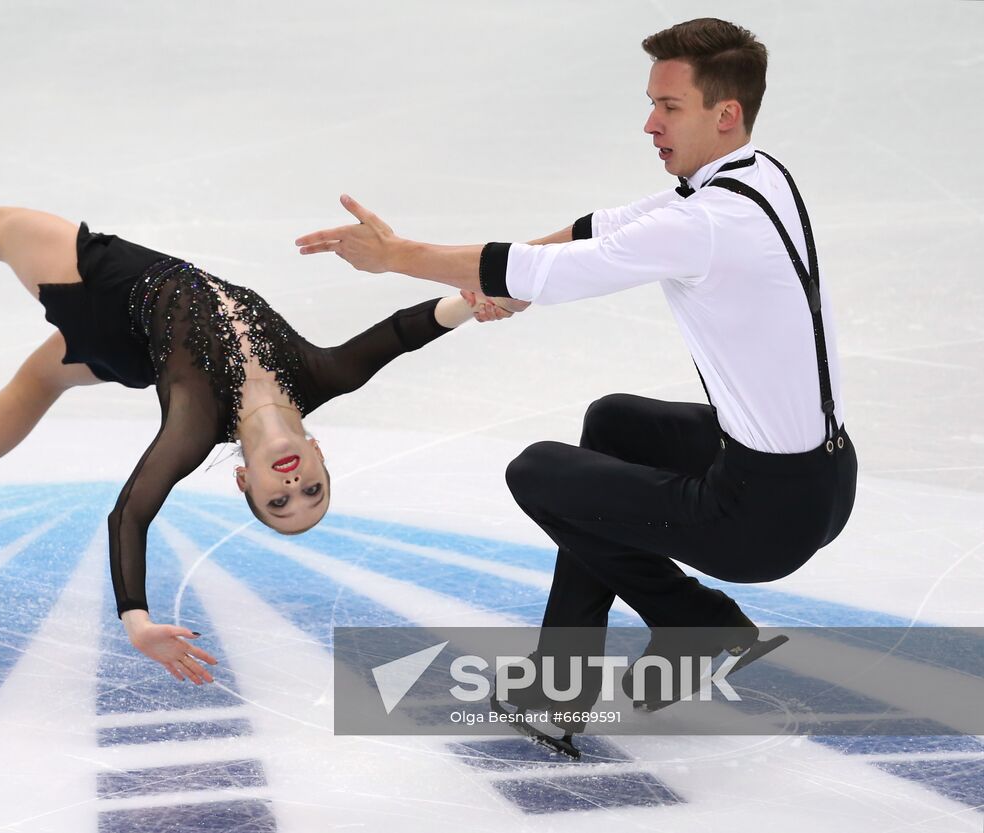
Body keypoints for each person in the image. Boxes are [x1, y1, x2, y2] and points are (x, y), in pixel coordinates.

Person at [296, 18, 857, 746]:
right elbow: (604, 228)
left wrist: (397, 255)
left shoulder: (706, 223)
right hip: (826, 475)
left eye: (670, 108)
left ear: (726, 115)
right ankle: (560, 685)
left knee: (539, 473)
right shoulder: (753, 177)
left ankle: (697, 624)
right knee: (615, 422)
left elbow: (557, 271)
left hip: (764, 514)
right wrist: (510, 283)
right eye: (652, 102)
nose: (650, 123)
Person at [0, 95, 508, 686]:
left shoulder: (195, 422)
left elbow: (130, 513)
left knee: (5, 230)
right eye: (311, 488)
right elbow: (399, 334)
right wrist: (467, 302)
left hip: (117, 292)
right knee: (36, 382)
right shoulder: (319, 376)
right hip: (137, 343)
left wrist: (136, 619)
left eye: (279, 500)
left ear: (245, 481)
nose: (292, 484)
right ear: (318, 452)